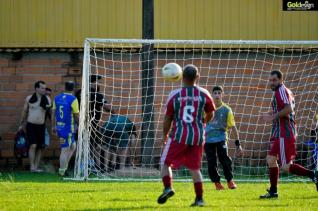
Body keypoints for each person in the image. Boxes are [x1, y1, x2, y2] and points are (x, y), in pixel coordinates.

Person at [157, 64, 215, 207]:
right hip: (198, 136)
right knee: (195, 168)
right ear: (198, 77)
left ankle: (168, 187)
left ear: (182, 77)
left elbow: (168, 118)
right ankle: (199, 199)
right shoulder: (204, 94)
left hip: (179, 135)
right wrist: (203, 122)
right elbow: (211, 113)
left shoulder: (174, 95)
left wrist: (164, 135)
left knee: (164, 163)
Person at [260, 70, 318, 199]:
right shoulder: (282, 91)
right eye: (270, 80)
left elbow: (289, 109)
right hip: (280, 133)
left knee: (286, 166)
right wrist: (270, 113)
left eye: (274, 80)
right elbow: (283, 108)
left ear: (281, 80)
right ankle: (273, 191)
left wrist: (272, 117)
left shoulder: (281, 91)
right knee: (271, 159)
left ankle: (313, 174)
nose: (272, 82)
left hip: (284, 133)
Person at [205, 86, 243, 190]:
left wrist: (238, 144)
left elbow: (233, 127)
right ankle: (217, 183)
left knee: (224, 159)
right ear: (212, 95)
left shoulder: (227, 110)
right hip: (207, 140)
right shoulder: (205, 108)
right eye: (215, 93)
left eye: (219, 93)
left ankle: (230, 180)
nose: (217, 95)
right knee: (211, 162)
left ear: (222, 95)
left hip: (221, 138)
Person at [19, 81, 51, 172]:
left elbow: (50, 113)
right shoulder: (29, 98)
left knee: (40, 147)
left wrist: (54, 125)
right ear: (36, 88)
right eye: (42, 88)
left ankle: (36, 167)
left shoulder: (47, 99)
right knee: (33, 145)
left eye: (45, 88)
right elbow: (24, 112)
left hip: (41, 126)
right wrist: (21, 124)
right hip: (31, 125)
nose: (44, 90)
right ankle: (32, 167)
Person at [52, 81, 79, 176]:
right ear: (73, 88)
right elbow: (76, 115)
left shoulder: (57, 98)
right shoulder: (73, 99)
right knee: (65, 149)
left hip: (60, 126)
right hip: (68, 128)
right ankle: (62, 171)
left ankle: (64, 167)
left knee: (73, 146)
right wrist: (80, 125)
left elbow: (53, 113)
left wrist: (53, 126)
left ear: (64, 87)